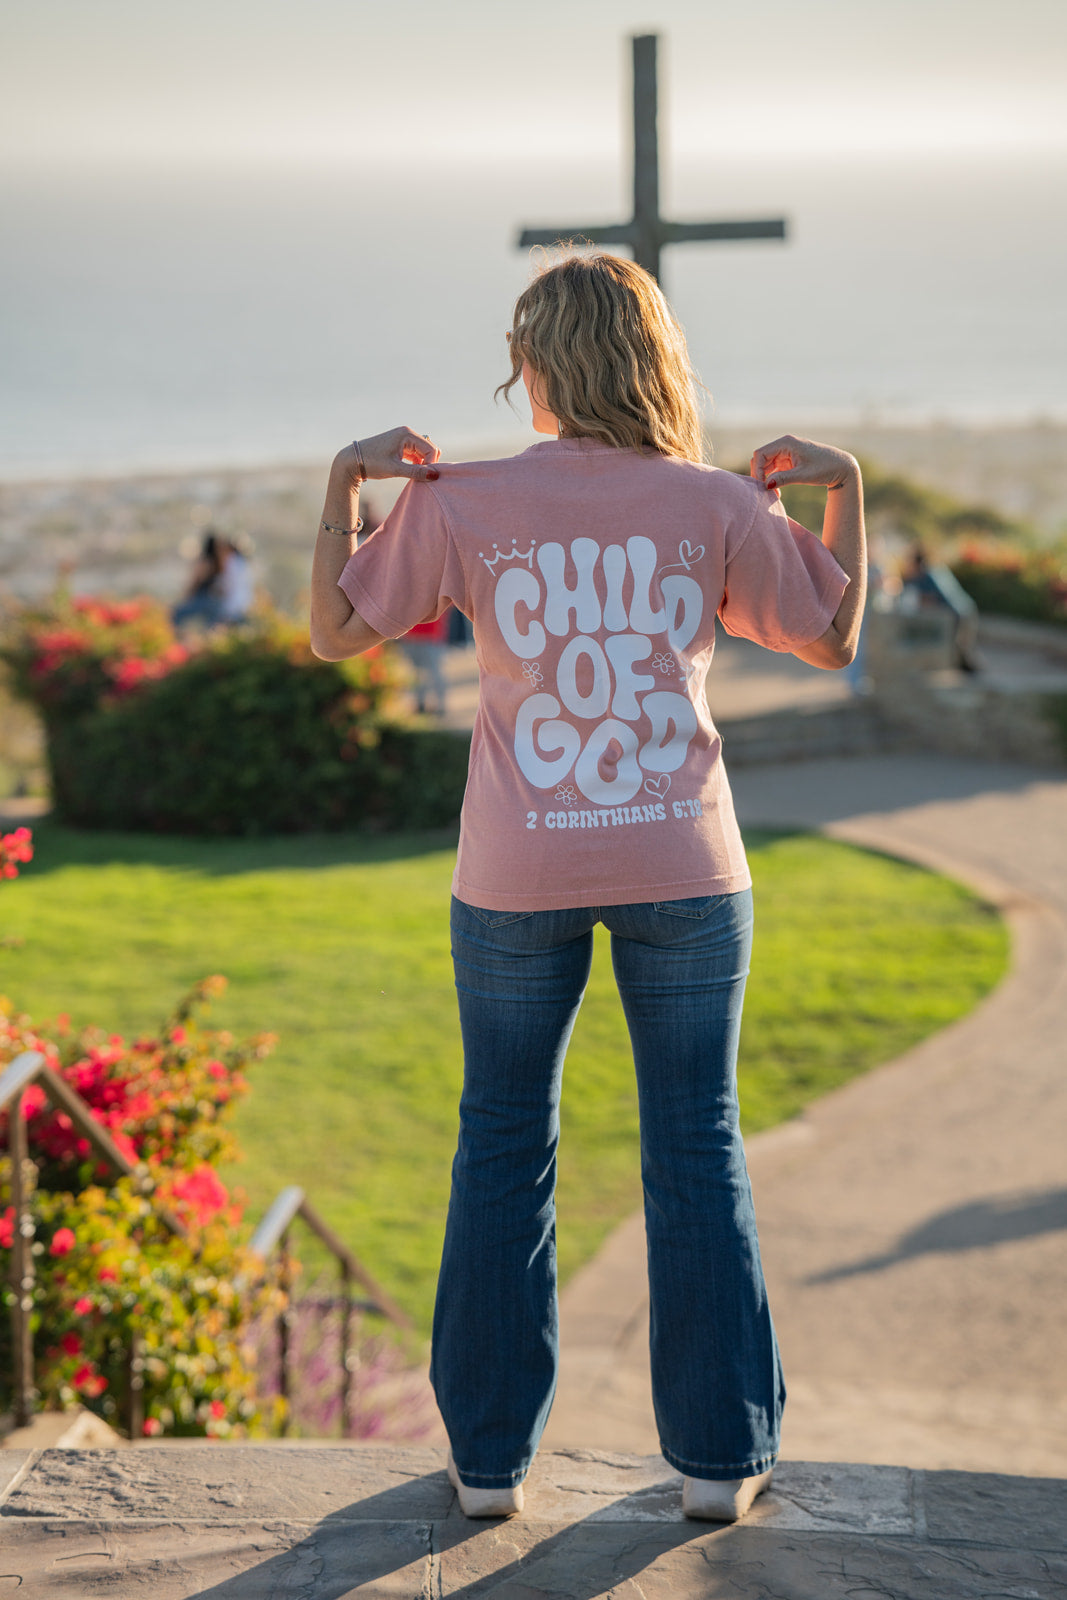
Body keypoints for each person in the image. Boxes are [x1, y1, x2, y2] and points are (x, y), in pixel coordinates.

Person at [309, 253, 866, 1524]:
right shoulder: (717, 500)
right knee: (695, 1143)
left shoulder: (460, 500)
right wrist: (845, 493)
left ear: (537, 366)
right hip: (681, 858)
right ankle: (720, 1462)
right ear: (653, 356)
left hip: (516, 868)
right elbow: (830, 640)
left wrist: (345, 483)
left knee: (503, 1139)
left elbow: (334, 630)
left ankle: (488, 1462)